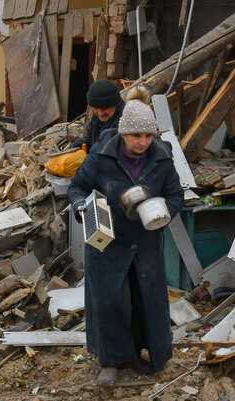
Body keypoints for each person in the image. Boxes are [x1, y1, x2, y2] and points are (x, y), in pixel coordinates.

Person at [68, 87, 184, 386]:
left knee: (146, 301)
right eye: (137, 137)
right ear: (123, 134)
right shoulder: (101, 156)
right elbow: (77, 187)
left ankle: (143, 354)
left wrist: (165, 210)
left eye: (148, 136)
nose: (143, 143)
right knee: (109, 302)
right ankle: (111, 361)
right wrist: (83, 206)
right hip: (108, 241)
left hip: (145, 242)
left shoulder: (161, 159)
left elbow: (175, 194)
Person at [80, 79, 125, 148]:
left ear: (115, 104)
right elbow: (89, 140)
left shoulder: (124, 124)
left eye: (104, 108)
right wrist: (81, 144)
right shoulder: (96, 119)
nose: (100, 113)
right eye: (95, 108)